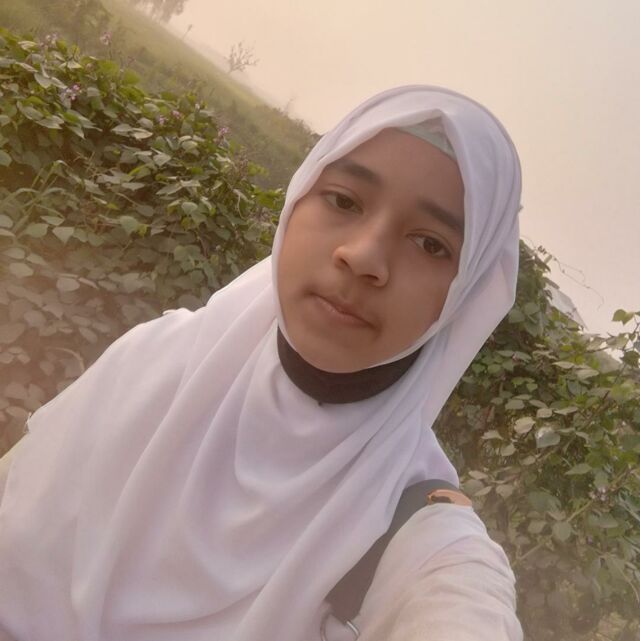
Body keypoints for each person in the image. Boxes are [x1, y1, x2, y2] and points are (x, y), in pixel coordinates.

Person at [0, 85, 522, 641]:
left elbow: (464, 605)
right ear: (297, 200)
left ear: (462, 294)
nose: (364, 257)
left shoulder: (413, 526)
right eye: (344, 201)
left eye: (431, 244)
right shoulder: (158, 359)